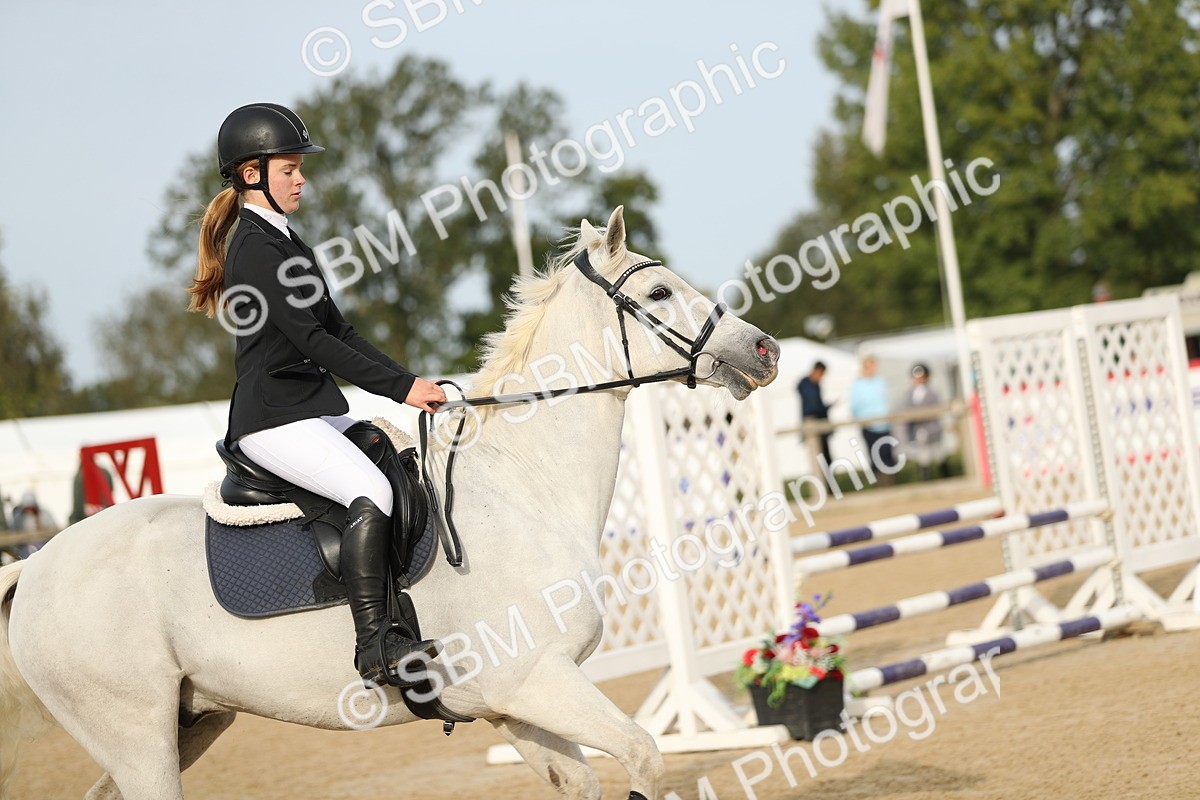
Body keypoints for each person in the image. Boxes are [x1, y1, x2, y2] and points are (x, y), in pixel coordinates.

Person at [187, 102, 445, 688]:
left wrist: (412, 381)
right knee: (369, 488)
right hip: (271, 418)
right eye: (289, 169)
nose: (302, 178)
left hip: (306, 409)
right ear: (252, 174)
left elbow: (341, 331)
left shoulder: (286, 242)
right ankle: (376, 643)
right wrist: (401, 389)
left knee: (389, 454)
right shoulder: (253, 248)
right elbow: (312, 341)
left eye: (301, 168)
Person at [849, 354, 895, 483]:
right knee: (874, 455)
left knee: (887, 454)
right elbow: (855, 406)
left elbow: (886, 401)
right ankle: (880, 483)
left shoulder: (880, 381)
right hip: (868, 426)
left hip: (884, 424)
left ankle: (889, 483)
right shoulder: (858, 385)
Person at [905, 363, 950, 481]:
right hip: (919, 430)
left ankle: (945, 479)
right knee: (923, 458)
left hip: (932, 429)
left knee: (939, 455)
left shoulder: (932, 393)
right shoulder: (910, 395)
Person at [797, 361, 832, 468]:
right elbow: (813, 407)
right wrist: (824, 408)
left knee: (826, 458)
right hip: (812, 422)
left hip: (819, 421)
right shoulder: (807, 385)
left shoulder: (814, 385)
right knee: (818, 458)